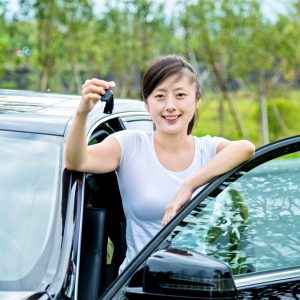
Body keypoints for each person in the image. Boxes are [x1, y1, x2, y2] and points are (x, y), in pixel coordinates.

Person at [64, 54, 255, 273]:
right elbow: (76, 160)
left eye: (181, 95)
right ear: (146, 104)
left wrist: (189, 185)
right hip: (138, 285)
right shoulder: (130, 145)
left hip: (198, 283)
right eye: (160, 96)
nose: (170, 106)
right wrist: (83, 112)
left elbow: (246, 148)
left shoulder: (208, 149)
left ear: (197, 100)